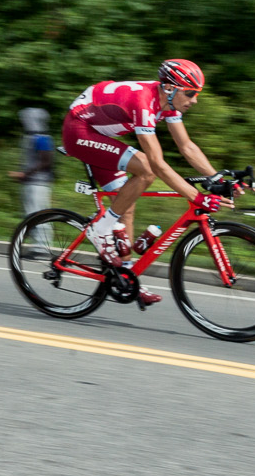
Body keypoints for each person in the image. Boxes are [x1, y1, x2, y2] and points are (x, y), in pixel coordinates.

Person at [61, 59, 230, 307]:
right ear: (171, 88)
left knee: (125, 206)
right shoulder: (143, 101)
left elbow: (187, 147)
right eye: (191, 93)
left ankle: (126, 277)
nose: (195, 100)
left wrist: (217, 179)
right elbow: (158, 164)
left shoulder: (169, 105)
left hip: (100, 135)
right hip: (79, 130)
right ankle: (100, 229)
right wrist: (196, 196)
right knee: (147, 170)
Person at [8, 107, 56, 252]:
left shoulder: (42, 138)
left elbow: (46, 161)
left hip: (39, 183)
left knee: (38, 214)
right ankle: (36, 246)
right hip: (31, 182)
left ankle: (42, 247)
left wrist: (24, 174)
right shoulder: (31, 137)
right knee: (30, 214)